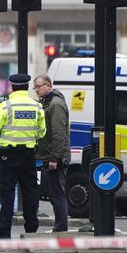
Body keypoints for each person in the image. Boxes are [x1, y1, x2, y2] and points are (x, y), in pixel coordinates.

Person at [0, 74, 46, 239]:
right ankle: (31, 229)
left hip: (9, 155)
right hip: (28, 154)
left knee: (8, 192)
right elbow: (42, 132)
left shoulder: (5, 106)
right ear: (26, 87)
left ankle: (4, 231)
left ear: (12, 87)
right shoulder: (36, 106)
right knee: (30, 192)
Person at [33, 74, 71, 232]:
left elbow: (58, 133)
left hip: (54, 156)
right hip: (48, 155)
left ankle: (61, 227)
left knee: (57, 194)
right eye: (35, 88)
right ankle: (59, 226)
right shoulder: (47, 103)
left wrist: (55, 158)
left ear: (48, 85)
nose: (36, 90)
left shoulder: (55, 104)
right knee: (54, 193)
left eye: (39, 87)